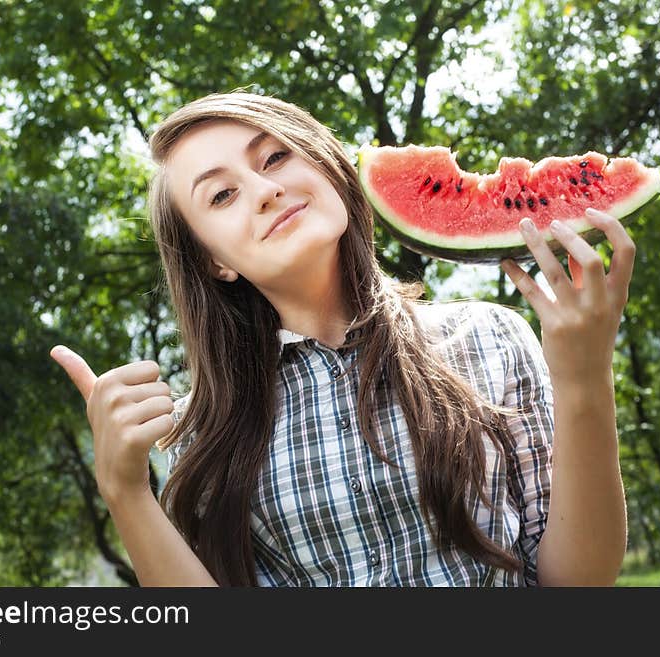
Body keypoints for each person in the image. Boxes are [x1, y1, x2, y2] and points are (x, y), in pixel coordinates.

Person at [50, 91, 630, 587]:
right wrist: (125, 491)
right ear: (214, 262)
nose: (263, 189)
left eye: (275, 157)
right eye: (221, 195)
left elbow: (578, 583)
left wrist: (584, 379)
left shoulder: (489, 338)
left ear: (327, 166)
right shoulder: (203, 437)